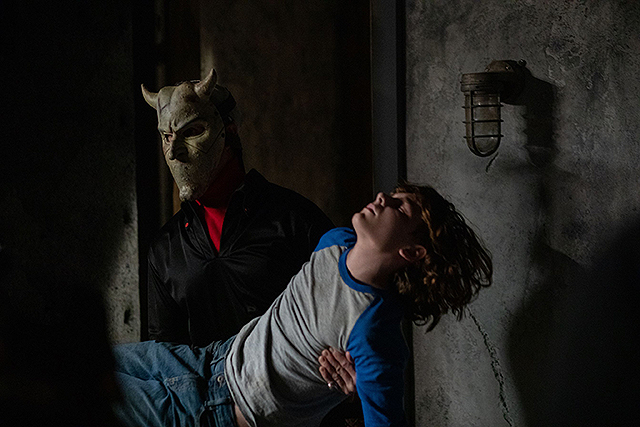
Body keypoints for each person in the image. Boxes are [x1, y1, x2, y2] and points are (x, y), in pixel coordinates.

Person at [113, 183, 493, 427]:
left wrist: (359, 392)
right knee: (87, 362)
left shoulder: (373, 332)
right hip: (210, 359)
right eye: (393, 193)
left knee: (84, 397)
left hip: (216, 410)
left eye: (400, 207)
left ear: (412, 251)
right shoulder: (335, 240)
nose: (383, 198)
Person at [141, 69, 334, 347]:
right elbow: (164, 354)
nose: (174, 151)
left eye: (191, 132)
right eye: (167, 137)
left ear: (228, 131)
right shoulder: (165, 249)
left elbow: (340, 311)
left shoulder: (295, 220)